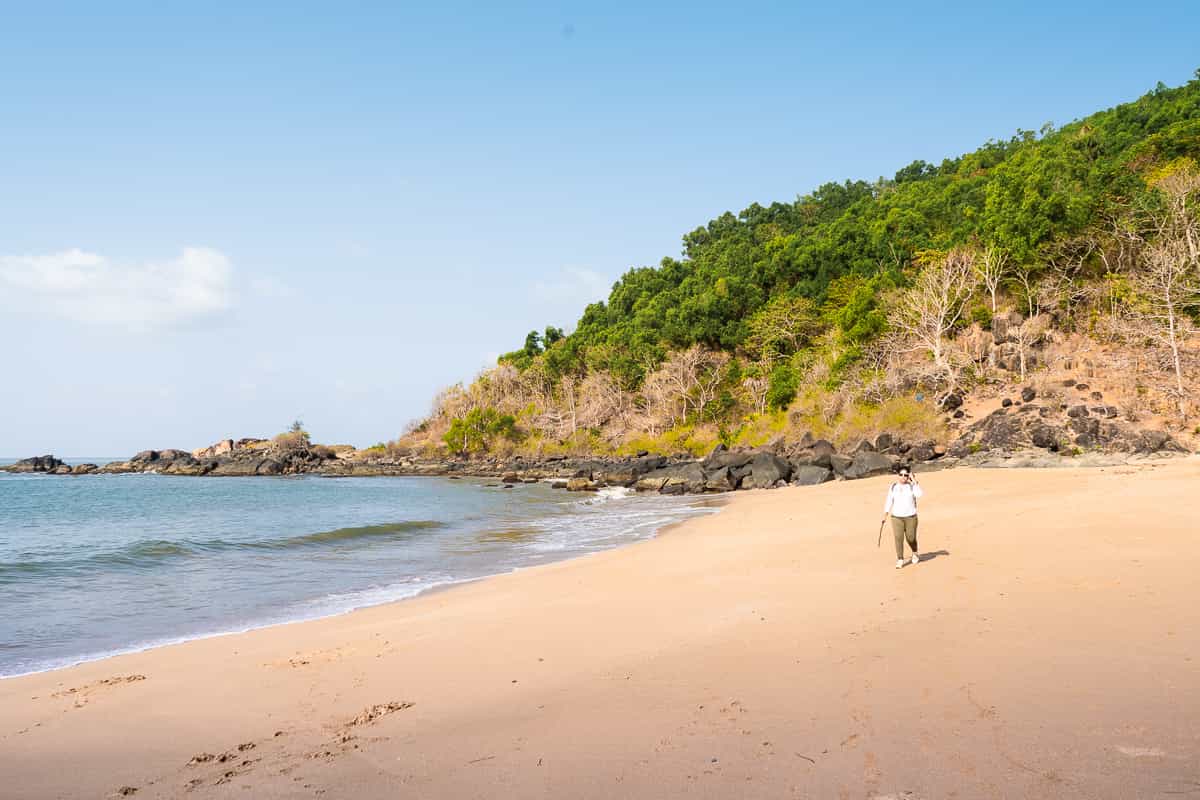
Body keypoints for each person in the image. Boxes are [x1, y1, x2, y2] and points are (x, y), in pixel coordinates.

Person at [882, 466, 923, 568]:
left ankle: (915, 552)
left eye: (905, 475)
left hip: (911, 517)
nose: (903, 477)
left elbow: (919, 494)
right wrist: (885, 514)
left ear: (908, 476)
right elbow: (889, 500)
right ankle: (900, 559)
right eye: (901, 475)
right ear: (898, 475)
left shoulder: (912, 486)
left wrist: (914, 480)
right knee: (898, 538)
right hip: (896, 517)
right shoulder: (893, 486)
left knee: (911, 538)